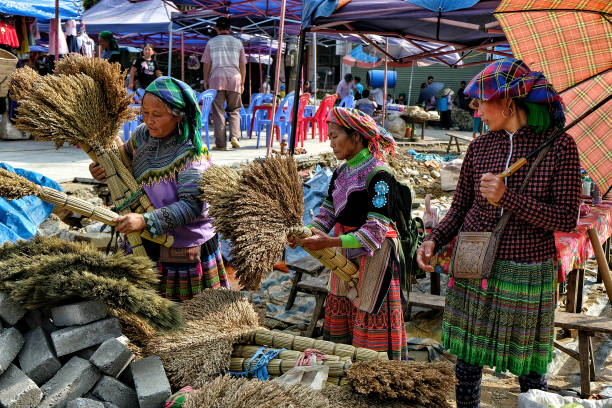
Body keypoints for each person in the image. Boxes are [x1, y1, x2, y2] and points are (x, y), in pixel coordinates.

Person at [416, 59, 581, 408]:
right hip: (474, 265)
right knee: (467, 360)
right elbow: (460, 208)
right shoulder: (479, 147)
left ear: (507, 103)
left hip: (527, 268)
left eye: (480, 102)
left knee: (530, 369)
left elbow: (566, 218)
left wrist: (509, 199)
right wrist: (434, 239)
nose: (476, 112)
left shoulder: (559, 146)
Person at [88, 77, 229, 300]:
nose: (149, 120)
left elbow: (192, 206)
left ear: (178, 115)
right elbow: (122, 162)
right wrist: (101, 169)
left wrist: (144, 221)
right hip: (145, 237)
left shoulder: (192, 155)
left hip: (182, 245)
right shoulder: (143, 136)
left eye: (157, 115)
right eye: (145, 113)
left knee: (186, 318)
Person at [288, 107, 406, 360]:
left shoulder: (380, 174)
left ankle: (374, 372)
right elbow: (328, 211)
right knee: (342, 303)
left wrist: (329, 241)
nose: (330, 144)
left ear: (355, 136)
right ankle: (344, 365)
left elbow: (376, 228)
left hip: (375, 252)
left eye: (334, 136)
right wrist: (306, 234)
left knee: (368, 310)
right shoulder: (341, 172)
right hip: (343, 247)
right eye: (329, 137)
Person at [202, 17, 245, 151]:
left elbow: (207, 64)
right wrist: (242, 82)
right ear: (230, 29)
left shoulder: (211, 43)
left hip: (217, 79)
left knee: (218, 112)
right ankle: (234, 137)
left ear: (216, 29)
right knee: (234, 110)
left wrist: (206, 80)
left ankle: (221, 144)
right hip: (235, 79)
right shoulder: (238, 43)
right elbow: (242, 64)